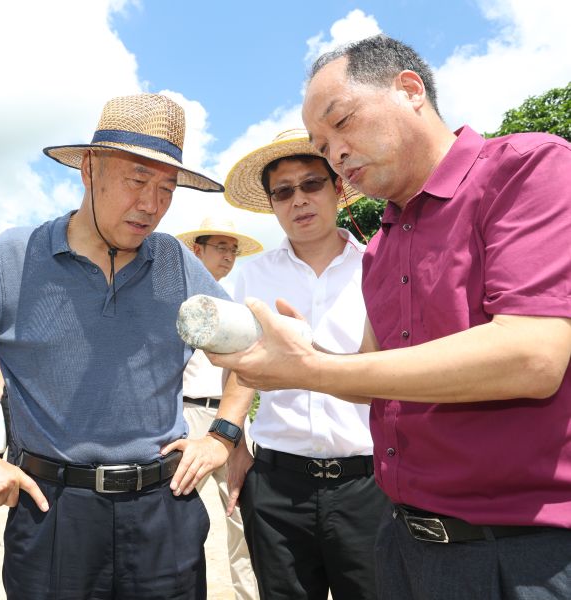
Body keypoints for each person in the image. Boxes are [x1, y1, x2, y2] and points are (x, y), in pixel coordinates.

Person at [209, 35, 571, 599]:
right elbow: (377, 376)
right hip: (404, 542)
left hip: (520, 553)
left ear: (409, 90)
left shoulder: (527, 167)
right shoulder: (381, 245)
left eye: (342, 124)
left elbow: (532, 355)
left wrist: (308, 369)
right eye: (323, 144)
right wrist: (294, 362)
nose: (336, 154)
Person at [0, 93, 231, 599]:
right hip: (55, 514)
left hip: (163, 512)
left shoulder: (176, 262)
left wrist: (223, 436)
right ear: (88, 169)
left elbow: (249, 354)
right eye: (137, 181)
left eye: (167, 189)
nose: (151, 205)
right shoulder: (14, 257)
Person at [219, 129, 389, 599]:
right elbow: (239, 364)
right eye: (284, 191)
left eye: (312, 184)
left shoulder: (378, 264)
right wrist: (231, 442)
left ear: (338, 189)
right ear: (272, 204)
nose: (299, 200)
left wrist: (310, 361)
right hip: (277, 486)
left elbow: (387, 369)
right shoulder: (253, 274)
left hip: (368, 484)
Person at [176, 216, 262, 600]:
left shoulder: (238, 304)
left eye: (233, 250)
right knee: (179, 519)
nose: (229, 256)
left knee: (243, 517)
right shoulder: (172, 301)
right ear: (198, 250)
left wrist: (236, 428)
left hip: (231, 419)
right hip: (186, 418)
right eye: (221, 247)